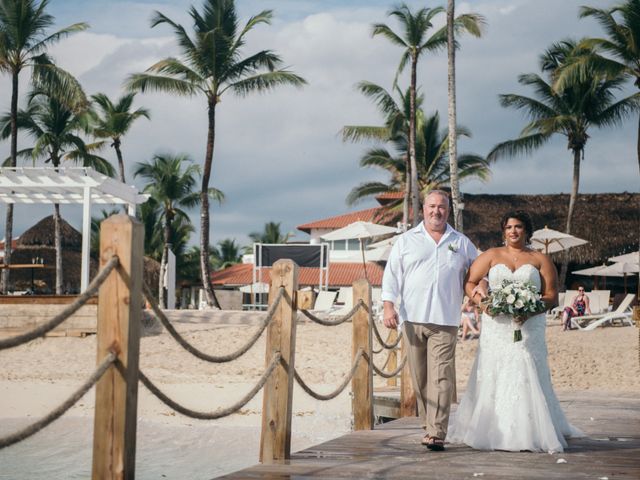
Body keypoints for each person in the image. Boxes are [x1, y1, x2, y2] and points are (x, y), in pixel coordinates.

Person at [448, 210, 582, 452]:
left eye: (518, 227)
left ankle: (532, 430)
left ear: (527, 231)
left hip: (529, 325)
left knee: (527, 366)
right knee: (494, 369)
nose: (513, 231)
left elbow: (552, 295)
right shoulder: (491, 255)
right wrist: (482, 304)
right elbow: (468, 283)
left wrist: (530, 310)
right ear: (503, 231)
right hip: (496, 326)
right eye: (509, 227)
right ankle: (490, 428)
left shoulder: (540, 259)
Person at [381, 190, 478, 451]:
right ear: (423, 209)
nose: (437, 211)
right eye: (432, 206)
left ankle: (437, 431)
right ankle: (428, 423)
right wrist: (388, 305)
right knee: (420, 377)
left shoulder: (461, 242)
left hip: (445, 320)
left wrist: (479, 292)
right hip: (412, 319)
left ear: (448, 210)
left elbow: (479, 271)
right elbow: (392, 275)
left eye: (442, 207)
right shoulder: (406, 241)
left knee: (442, 376)